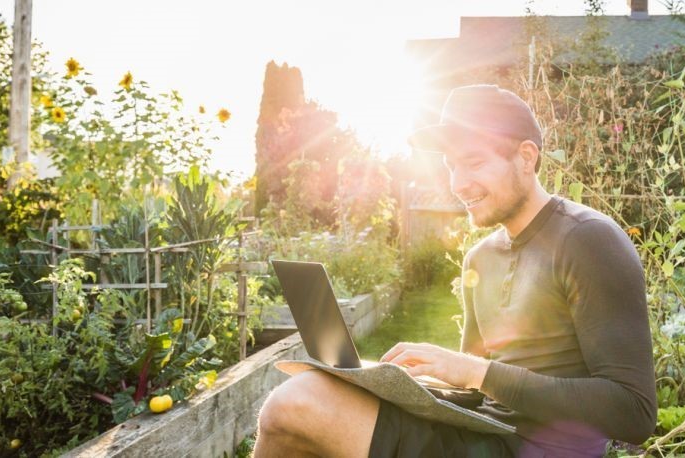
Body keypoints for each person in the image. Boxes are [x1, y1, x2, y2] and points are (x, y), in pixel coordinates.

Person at [253, 84, 656, 457]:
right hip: (485, 434)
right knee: (300, 410)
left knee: (296, 403)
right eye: (451, 166)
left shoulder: (589, 240)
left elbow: (633, 412)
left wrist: (476, 371)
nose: (459, 183)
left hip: (543, 449)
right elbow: (472, 389)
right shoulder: (480, 258)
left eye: (474, 162)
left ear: (527, 157)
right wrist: (402, 382)